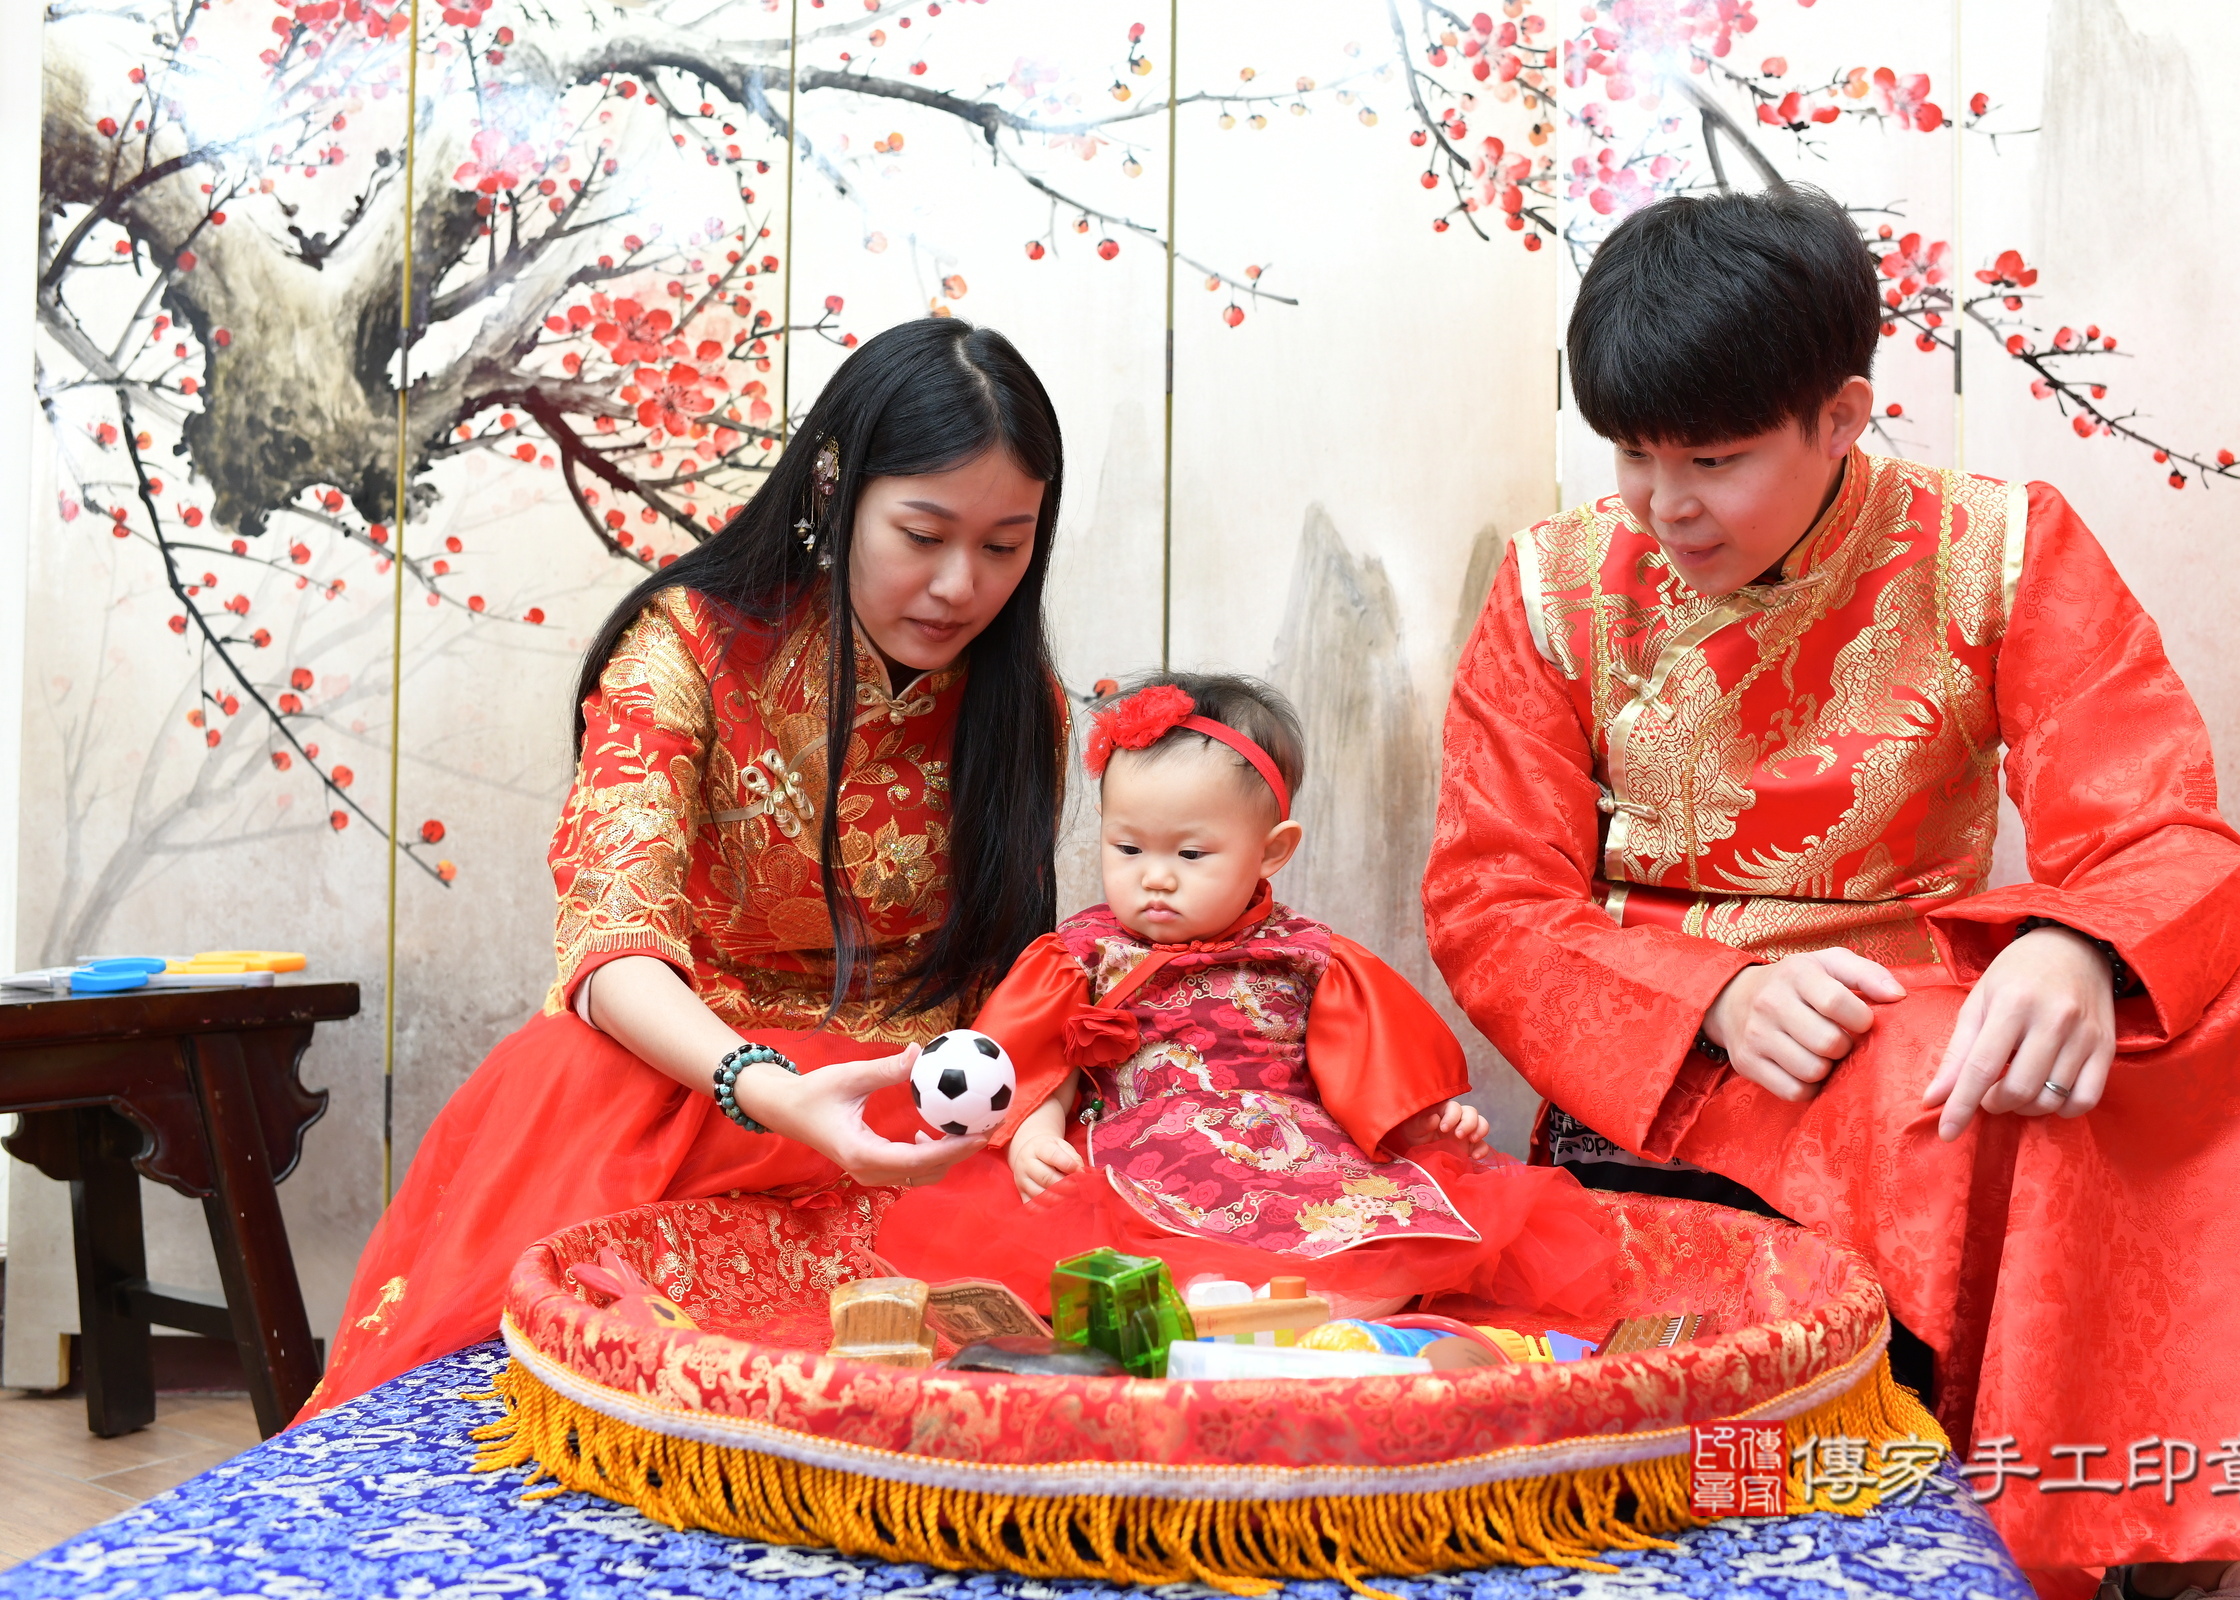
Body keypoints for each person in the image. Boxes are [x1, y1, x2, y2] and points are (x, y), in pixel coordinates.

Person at [1421, 183, 2240, 1600]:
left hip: (1925, 1000)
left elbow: (2159, 823)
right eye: (1632, 454)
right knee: (1968, 1102)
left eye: (1714, 459)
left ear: (1842, 417)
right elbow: (1493, 899)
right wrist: (1718, 995)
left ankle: (2178, 1520)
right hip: (1694, 1047)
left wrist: (2075, 942)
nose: (1663, 504)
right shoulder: (1551, 588)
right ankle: (2082, 1533)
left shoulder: (2001, 545)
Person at [296, 318, 1070, 1421]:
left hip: (909, 1103)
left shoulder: (1019, 702)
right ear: (834, 491)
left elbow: (1009, 974)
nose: (960, 585)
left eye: (1004, 546)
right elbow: (611, 944)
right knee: (545, 1367)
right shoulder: (688, 646)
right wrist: (774, 1092)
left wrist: (1029, 1104)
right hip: (688, 1081)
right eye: (923, 533)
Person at [878, 673, 1639, 1326]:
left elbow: (1362, 1070)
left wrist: (1423, 1124)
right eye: (1128, 848)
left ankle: (1324, 1298)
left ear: (1271, 850)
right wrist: (1035, 1133)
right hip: (1141, 1144)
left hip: (1289, 1145)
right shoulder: (1084, 955)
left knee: (1372, 1223)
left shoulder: (1306, 958)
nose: (1155, 877)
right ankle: (1200, 1299)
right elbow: (1041, 1058)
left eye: (1192, 853)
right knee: (1099, 1234)